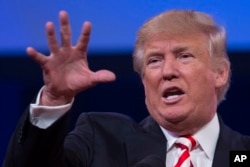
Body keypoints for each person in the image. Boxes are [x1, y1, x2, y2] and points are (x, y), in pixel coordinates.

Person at [3, 9, 250, 167]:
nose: (167, 71)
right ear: (144, 80)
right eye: (154, 61)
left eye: (184, 56)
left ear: (220, 73)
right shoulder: (101, 139)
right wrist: (54, 99)